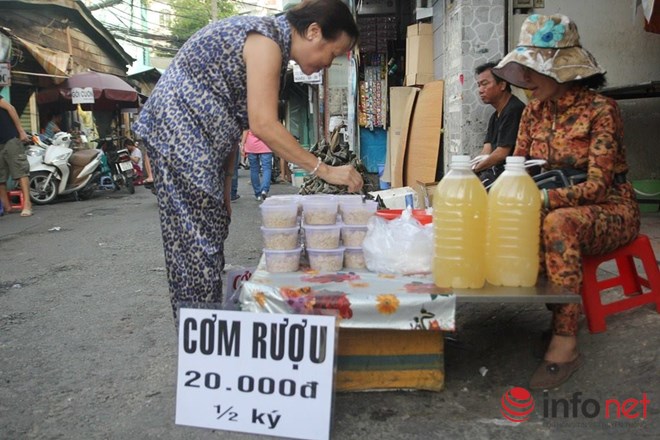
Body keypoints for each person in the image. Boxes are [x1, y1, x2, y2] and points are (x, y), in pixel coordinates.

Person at [133, 0, 363, 324]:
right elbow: (263, 124)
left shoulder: (272, 44)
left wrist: (225, 191)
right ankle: (200, 349)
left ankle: (207, 338)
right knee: (196, 253)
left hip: (202, 144)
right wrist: (326, 171)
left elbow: (232, 116)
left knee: (210, 237)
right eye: (333, 53)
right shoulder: (266, 40)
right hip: (179, 136)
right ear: (314, 32)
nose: (328, 64)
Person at [492, 14, 640, 389]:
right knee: (514, 218)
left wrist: (541, 197)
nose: (524, 80)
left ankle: (565, 340)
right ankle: (558, 309)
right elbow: (517, 169)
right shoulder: (532, 113)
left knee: (557, 224)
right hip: (553, 204)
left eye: (532, 71)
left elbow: (598, 186)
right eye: (522, 71)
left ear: (561, 70)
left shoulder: (601, 111)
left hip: (610, 208)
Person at [472, 61, 525, 187]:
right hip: (496, 174)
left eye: (485, 84)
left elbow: (501, 153)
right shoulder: (494, 116)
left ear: (502, 85)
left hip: (513, 179)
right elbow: (487, 151)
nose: (480, 90)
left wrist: (474, 170)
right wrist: (471, 166)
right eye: (479, 85)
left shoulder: (514, 109)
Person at [0, 93, 33, 217]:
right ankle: (6, 206)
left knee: (20, 171)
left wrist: (21, 131)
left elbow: (11, 108)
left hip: (10, 139)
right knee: (0, 177)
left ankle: (27, 204)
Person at [242, 129, 273, 201]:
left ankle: (258, 194)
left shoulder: (249, 117)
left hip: (251, 145)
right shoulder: (268, 117)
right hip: (266, 144)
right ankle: (264, 190)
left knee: (254, 170)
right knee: (267, 168)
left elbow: (246, 130)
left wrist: (242, 144)